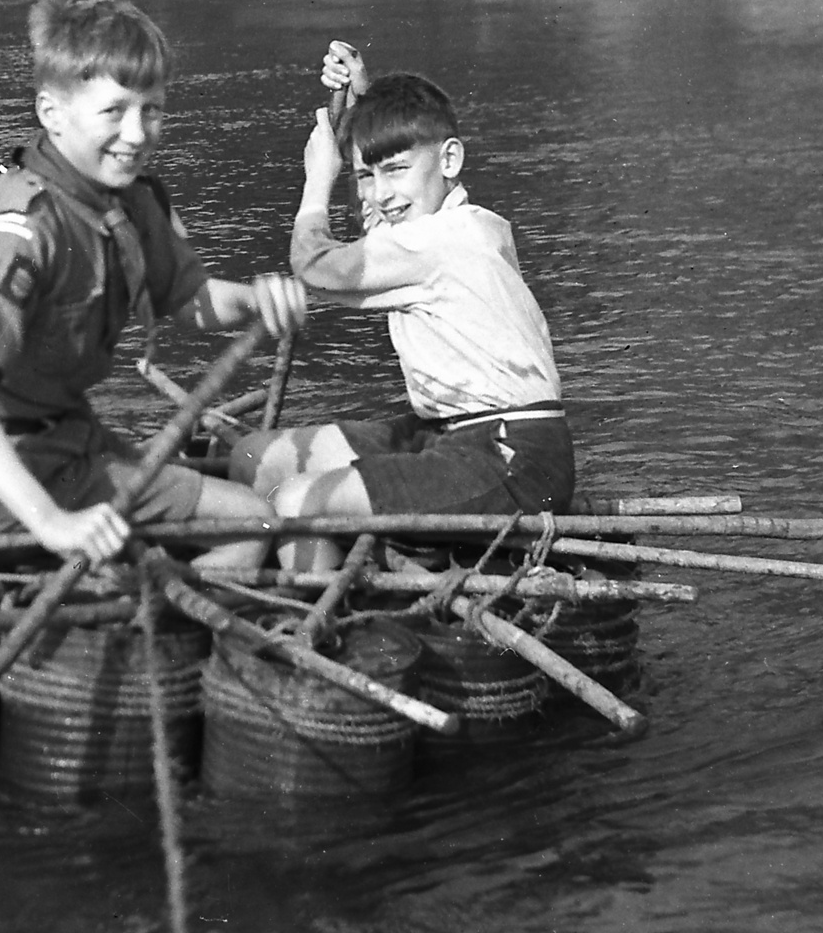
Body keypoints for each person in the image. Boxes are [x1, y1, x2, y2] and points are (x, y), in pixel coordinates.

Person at [0, 0, 306, 571]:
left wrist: (258, 300)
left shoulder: (130, 202)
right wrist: (53, 524)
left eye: (151, 110)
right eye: (114, 111)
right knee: (255, 525)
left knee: (253, 517)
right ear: (51, 114)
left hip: (72, 445)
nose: (137, 133)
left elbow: (192, 302)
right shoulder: (20, 232)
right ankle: (154, 643)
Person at [230, 43, 573, 569]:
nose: (380, 194)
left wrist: (317, 180)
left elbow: (313, 263)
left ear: (451, 159)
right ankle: (334, 569)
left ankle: (325, 622)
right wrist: (365, 101)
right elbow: (394, 192)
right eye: (366, 176)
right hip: (449, 435)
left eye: (394, 171)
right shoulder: (446, 220)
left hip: (513, 456)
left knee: (298, 502)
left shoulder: (445, 240)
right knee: (254, 457)